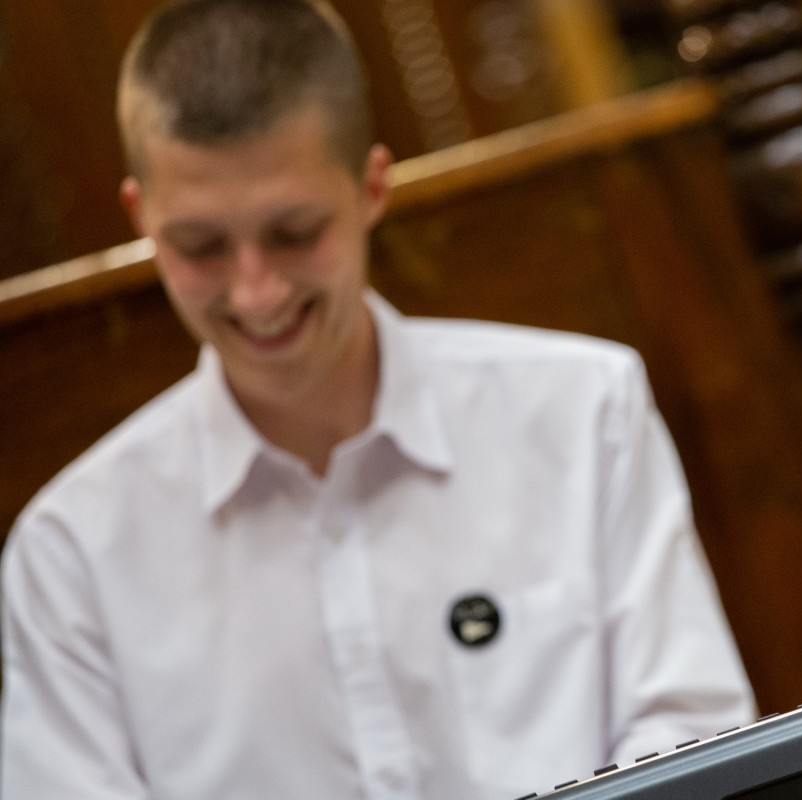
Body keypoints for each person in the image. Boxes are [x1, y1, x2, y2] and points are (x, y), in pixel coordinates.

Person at [0, 1, 756, 798]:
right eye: (201, 246)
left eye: (294, 233)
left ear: (371, 187)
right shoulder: (72, 556)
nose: (256, 292)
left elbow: (693, 747)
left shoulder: (582, 412)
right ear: (142, 219)